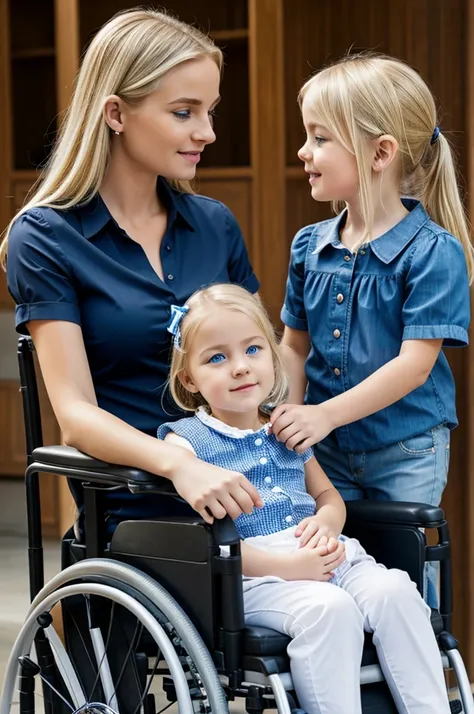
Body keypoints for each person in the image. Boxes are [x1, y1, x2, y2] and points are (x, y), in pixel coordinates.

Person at [1, 7, 264, 535]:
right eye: (185, 112)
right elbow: (75, 415)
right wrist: (179, 464)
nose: (208, 132)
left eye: (210, 111)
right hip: (144, 506)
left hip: (257, 490)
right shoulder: (47, 238)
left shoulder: (216, 225)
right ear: (116, 114)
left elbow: (265, 365)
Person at [157, 282, 450, 714]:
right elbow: (207, 541)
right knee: (328, 611)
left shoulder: (286, 427)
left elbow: (328, 496)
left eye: (253, 350)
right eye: (217, 358)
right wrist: (286, 566)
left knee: (397, 592)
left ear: (273, 359)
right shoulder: (187, 445)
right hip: (255, 576)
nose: (240, 367)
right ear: (189, 379)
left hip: (330, 553)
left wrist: (327, 522)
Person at [272, 53, 472, 606]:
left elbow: (415, 364)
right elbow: (293, 345)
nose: (303, 152)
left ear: (380, 152)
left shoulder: (434, 253)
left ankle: (422, 687)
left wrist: (323, 414)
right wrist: (287, 423)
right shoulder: (308, 246)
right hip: (326, 452)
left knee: (402, 585)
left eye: (319, 138)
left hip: (405, 450)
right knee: (332, 575)